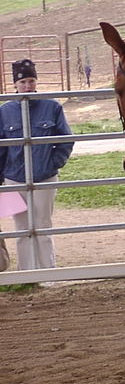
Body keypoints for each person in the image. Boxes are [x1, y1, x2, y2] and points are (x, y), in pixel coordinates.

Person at [0, 59, 74, 269]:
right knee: (21, 226)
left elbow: (66, 139)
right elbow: (1, 146)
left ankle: (47, 273)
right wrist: (2, 174)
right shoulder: (5, 111)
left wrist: (53, 163)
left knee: (43, 224)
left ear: (36, 81)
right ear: (15, 84)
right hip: (14, 178)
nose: (27, 86)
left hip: (45, 177)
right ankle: (27, 272)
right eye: (23, 82)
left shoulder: (52, 107)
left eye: (31, 81)